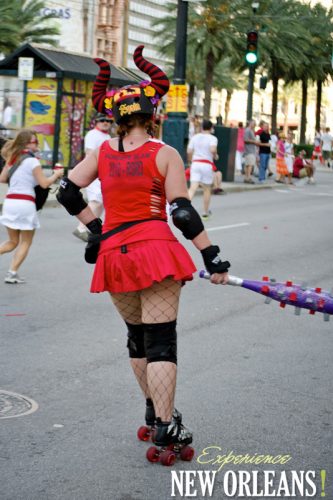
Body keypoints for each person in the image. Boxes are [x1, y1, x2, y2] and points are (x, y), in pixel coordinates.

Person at [56, 45, 230, 456]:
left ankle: (154, 413)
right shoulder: (164, 153)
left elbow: (66, 190)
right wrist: (211, 256)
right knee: (161, 342)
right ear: (153, 116)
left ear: (116, 118)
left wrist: (97, 230)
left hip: (114, 254)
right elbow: (183, 214)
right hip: (154, 250)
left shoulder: (101, 153)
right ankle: (168, 427)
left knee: (137, 340)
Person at [0, 129, 64, 283]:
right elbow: (44, 183)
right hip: (25, 204)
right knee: (26, 241)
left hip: (10, 202)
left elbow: (2, 179)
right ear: (27, 143)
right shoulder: (33, 161)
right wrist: (56, 174)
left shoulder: (12, 159)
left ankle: (12, 273)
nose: (38, 144)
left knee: (12, 242)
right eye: (35, 141)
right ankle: (12, 273)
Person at [73, 113, 112, 242]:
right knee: (95, 201)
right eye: (102, 120)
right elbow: (89, 153)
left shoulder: (107, 136)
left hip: (103, 172)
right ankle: (81, 228)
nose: (106, 123)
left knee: (100, 202)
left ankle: (92, 229)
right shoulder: (93, 135)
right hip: (94, 172)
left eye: (108, 121)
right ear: (96, 122)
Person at [187, 119, 218, 219]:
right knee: (206, 189)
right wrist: (215, 155)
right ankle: (205, 212)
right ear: (211, 128)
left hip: (196, 163)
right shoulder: (212, 138)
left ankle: (185, 208)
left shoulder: (195, 137)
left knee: (192, 188)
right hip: (206, 164)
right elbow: (212, 149)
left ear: (202, 127)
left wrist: (191, 160)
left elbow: (189, 150)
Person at [243, 119, 260, 184]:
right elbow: (245, 140)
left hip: (250, 150)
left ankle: (246, 177)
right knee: (250, 165)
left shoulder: (251, 130)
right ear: (250, 123)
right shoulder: (248, 130)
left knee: (247, 164)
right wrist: (254, 141)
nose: (255, 125)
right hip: (249, 150)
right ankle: (248, 177)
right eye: (254, 123)